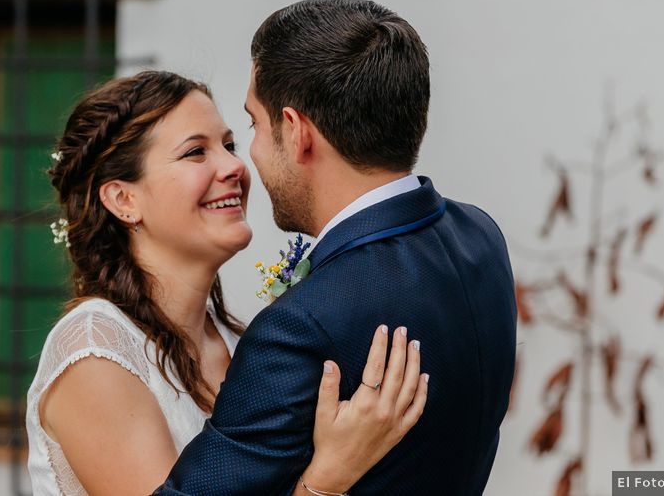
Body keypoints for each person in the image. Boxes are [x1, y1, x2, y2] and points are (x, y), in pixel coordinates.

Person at [153, 0, 517, 495]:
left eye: (255, 124)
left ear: (298, 132)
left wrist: (321, 484)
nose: (246, 157)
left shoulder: (301, 326)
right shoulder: (481, 238)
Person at [26, 70, 430, 496]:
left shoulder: (236, 340)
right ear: (124, 200)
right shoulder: (97, 355)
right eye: (196, 152)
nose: (235, 166)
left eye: (230, 145)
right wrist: (329, 476)